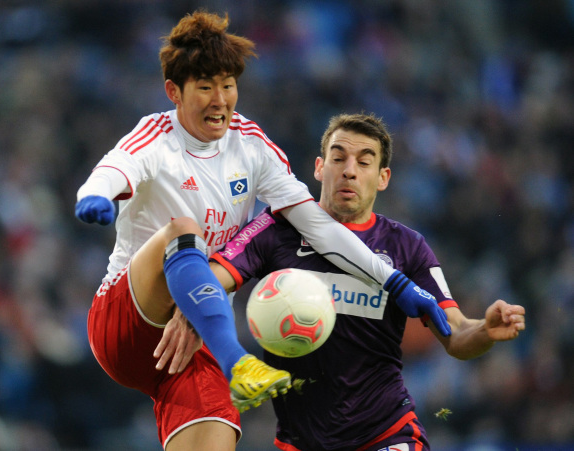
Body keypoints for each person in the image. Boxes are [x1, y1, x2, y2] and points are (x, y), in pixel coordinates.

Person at [75, 11, 450, 450]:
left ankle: (228, 358)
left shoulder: (251, 146)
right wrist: (95, 195)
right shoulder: (155, 138)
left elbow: (317, 225)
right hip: (129, 323)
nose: (220, 99)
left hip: (196, 342)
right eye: (204, 86)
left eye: (228, 84)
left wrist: (396, 282)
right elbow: (113, 169)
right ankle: (238, 362)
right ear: (173, 92)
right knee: (184, 230)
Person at [210, 113, 526, 451]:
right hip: (301, 441)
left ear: (382, 177)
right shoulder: (275, 230)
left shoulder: (407, 246)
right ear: (319, 167)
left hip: (385, 432)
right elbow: (212, 281)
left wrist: (484, 331)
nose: (349, 170)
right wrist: (191, 315)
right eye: (338, 158)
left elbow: (455, 334)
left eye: (364, 162)